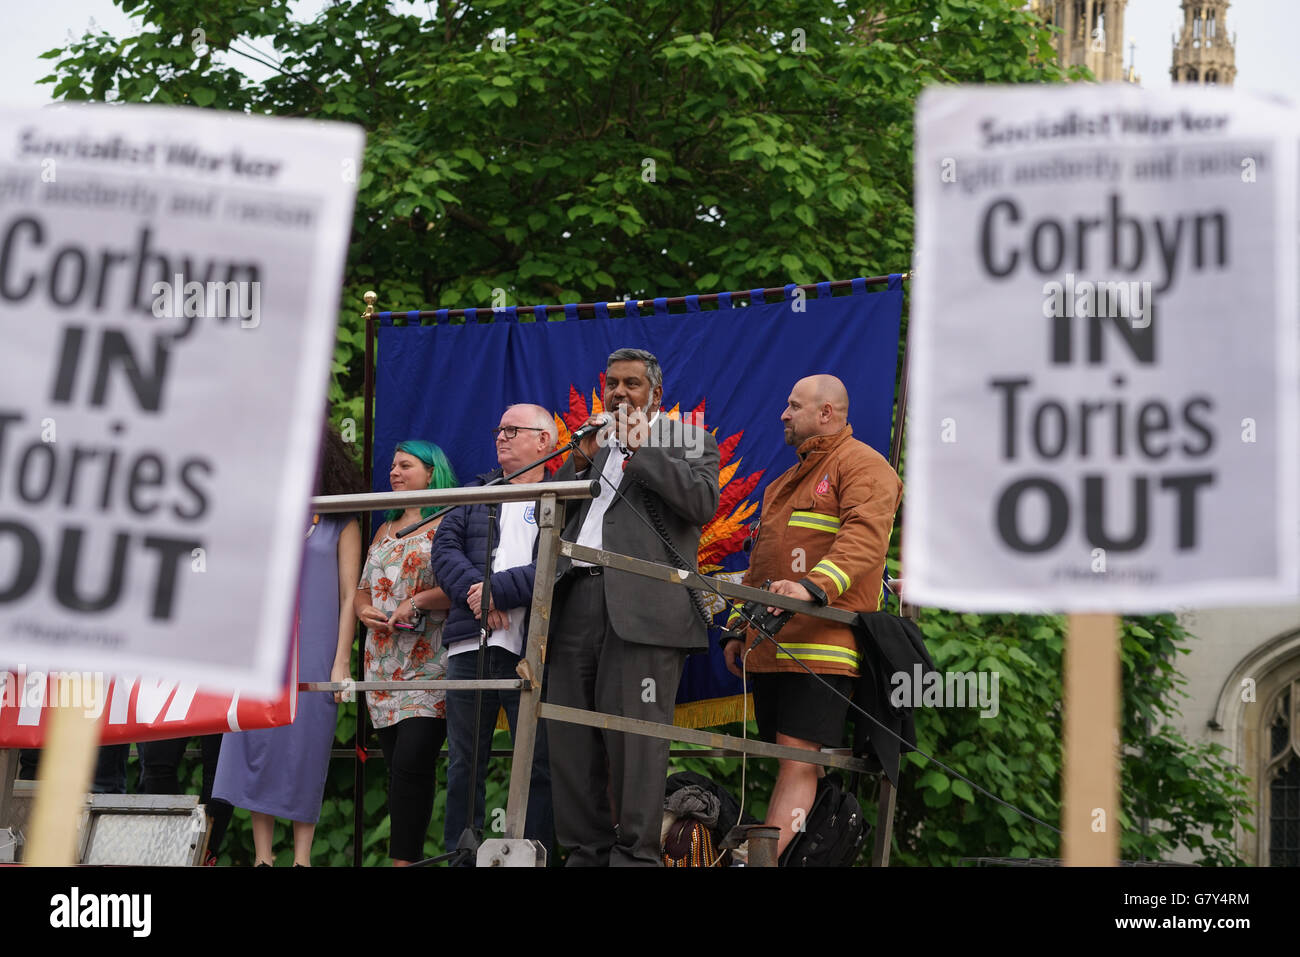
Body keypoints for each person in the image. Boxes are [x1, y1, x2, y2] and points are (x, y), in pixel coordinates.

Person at [548, 347, 720, 866]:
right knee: (570, 738)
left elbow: (701, 503)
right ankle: (584, 853)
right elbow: (552, 514)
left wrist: (642, 450)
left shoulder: (688, 440)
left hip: (643, 610)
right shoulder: (591, 447)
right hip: (576, 598)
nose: (619, 393)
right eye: (613, 384)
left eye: (632, 384)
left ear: (656, 395)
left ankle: (635, 856)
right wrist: (577, 460)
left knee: (636, 746)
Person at [721, 374, 902, 858]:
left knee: (797, 762)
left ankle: (763, 860)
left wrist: (811, 586)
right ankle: (808, 854)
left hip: (822, 647)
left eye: (793, 405)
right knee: (798, 764)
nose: (783, 413)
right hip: (772, 648)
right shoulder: (782, 483)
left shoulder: (865, 465)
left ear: (827, 413)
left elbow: (864, 539)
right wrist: (743, 629)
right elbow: (765, 567)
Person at [213, 424, 365, 866]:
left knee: (306, 747)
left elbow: (347, 597)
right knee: (260, 742)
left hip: (317, 649)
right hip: (265, 648)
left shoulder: (342, 520)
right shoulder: (269, 513)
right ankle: (264, 859)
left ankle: (302, 859)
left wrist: (341, 661)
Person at [432, 404, 556, 861]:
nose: (500, 437)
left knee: (538, 760)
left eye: (512, 430)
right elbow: (443, 551)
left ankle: (532, 852)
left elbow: (558, 562)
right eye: (498, 430)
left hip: (533, 647)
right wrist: (477, 596)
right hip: (470, 643)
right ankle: (462, 854)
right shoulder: (475, 491)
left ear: (544, 441)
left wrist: (497, 592)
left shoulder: (561, 495)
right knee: (465, 760)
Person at [354, 440, 458, 866]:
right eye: (393, 466)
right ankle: (407, 858)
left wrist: (416, 603)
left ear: (432, 472)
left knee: (415, 763)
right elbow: (362, 589)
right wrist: (365, 612)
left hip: (429, 661)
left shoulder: (450, 520)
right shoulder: (384, 528)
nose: (394, 472)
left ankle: (403, 863)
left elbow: (460, 583)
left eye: (405, 465)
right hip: (381, 662)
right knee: (398, 770)